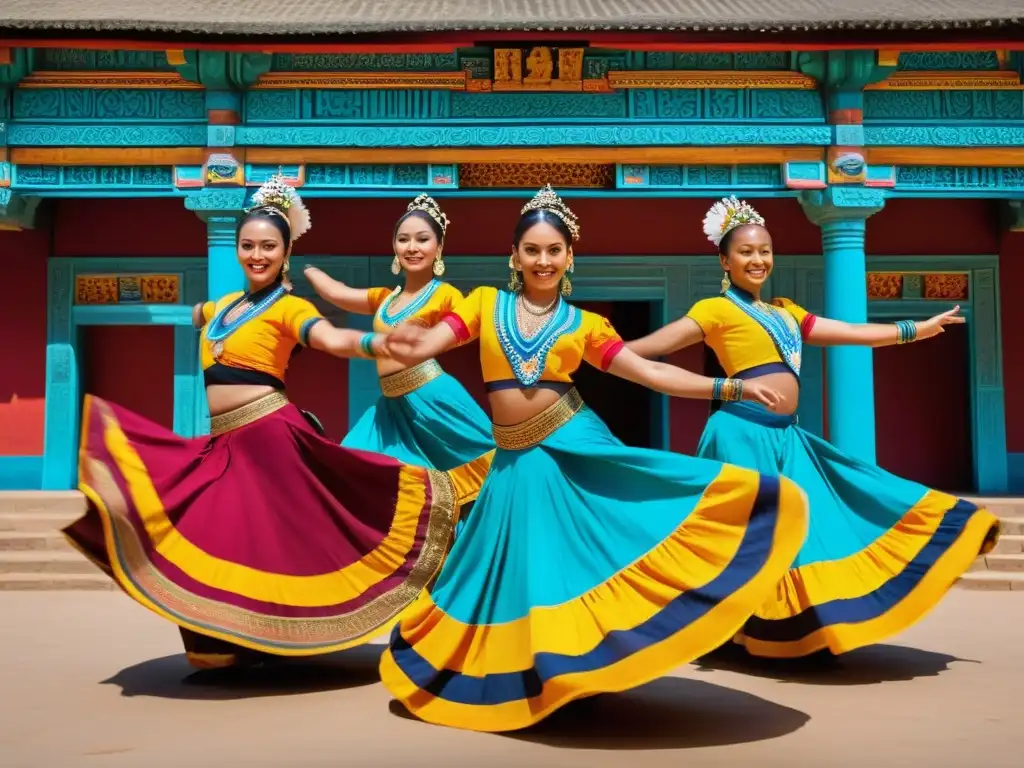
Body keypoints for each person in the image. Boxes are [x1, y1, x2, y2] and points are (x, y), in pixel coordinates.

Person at [376, 185, 810, 732]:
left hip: (571, 447)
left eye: (553, 251)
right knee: (520, 574)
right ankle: (539, 670)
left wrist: (731, 389)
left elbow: (652, 373)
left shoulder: (586, 326)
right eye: (532, 250)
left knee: (581, 560)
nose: (543, 261)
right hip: (514, 463)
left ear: (569, 258)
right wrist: (393, 344)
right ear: (514, 257)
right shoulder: (485, 303)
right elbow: (435, 339)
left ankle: (578, 670)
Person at [63, 176, 458, 671]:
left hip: (270, 437)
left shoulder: (291, 306)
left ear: (285, 251)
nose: (257, 254)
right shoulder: (222, 307)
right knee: (218, 533)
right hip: (226, 440)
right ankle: (225, 642)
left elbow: (329, 338)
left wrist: (372, 344)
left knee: (280, 539)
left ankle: (274, 635)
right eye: (247, 245)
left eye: (268, 246)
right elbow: (197, 312)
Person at [627, 195, 1000, 660]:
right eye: (745, 252)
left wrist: (913, 330)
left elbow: (848, 332)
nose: (757, 259)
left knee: (813, 524)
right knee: (748, 534)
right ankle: (723, 629)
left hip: (787, 437)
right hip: (741, 432)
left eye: (764, 250)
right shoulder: (714, 310)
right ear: (724, 260)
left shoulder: (785, 310)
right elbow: (650, 347)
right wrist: (597, 347)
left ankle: (792, 623)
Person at [303, 195, 494, 510]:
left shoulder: (445, 294)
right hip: (390, 408)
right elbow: (337, 293)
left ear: (438, 247)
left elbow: (469, 328)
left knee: (476, 476)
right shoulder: (385, 299)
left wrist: (431, 335)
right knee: (352, 466)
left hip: (431, 399)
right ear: (394, 247)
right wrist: (302, 263)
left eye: (422, 239)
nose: (412, 247)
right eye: (403, 239)